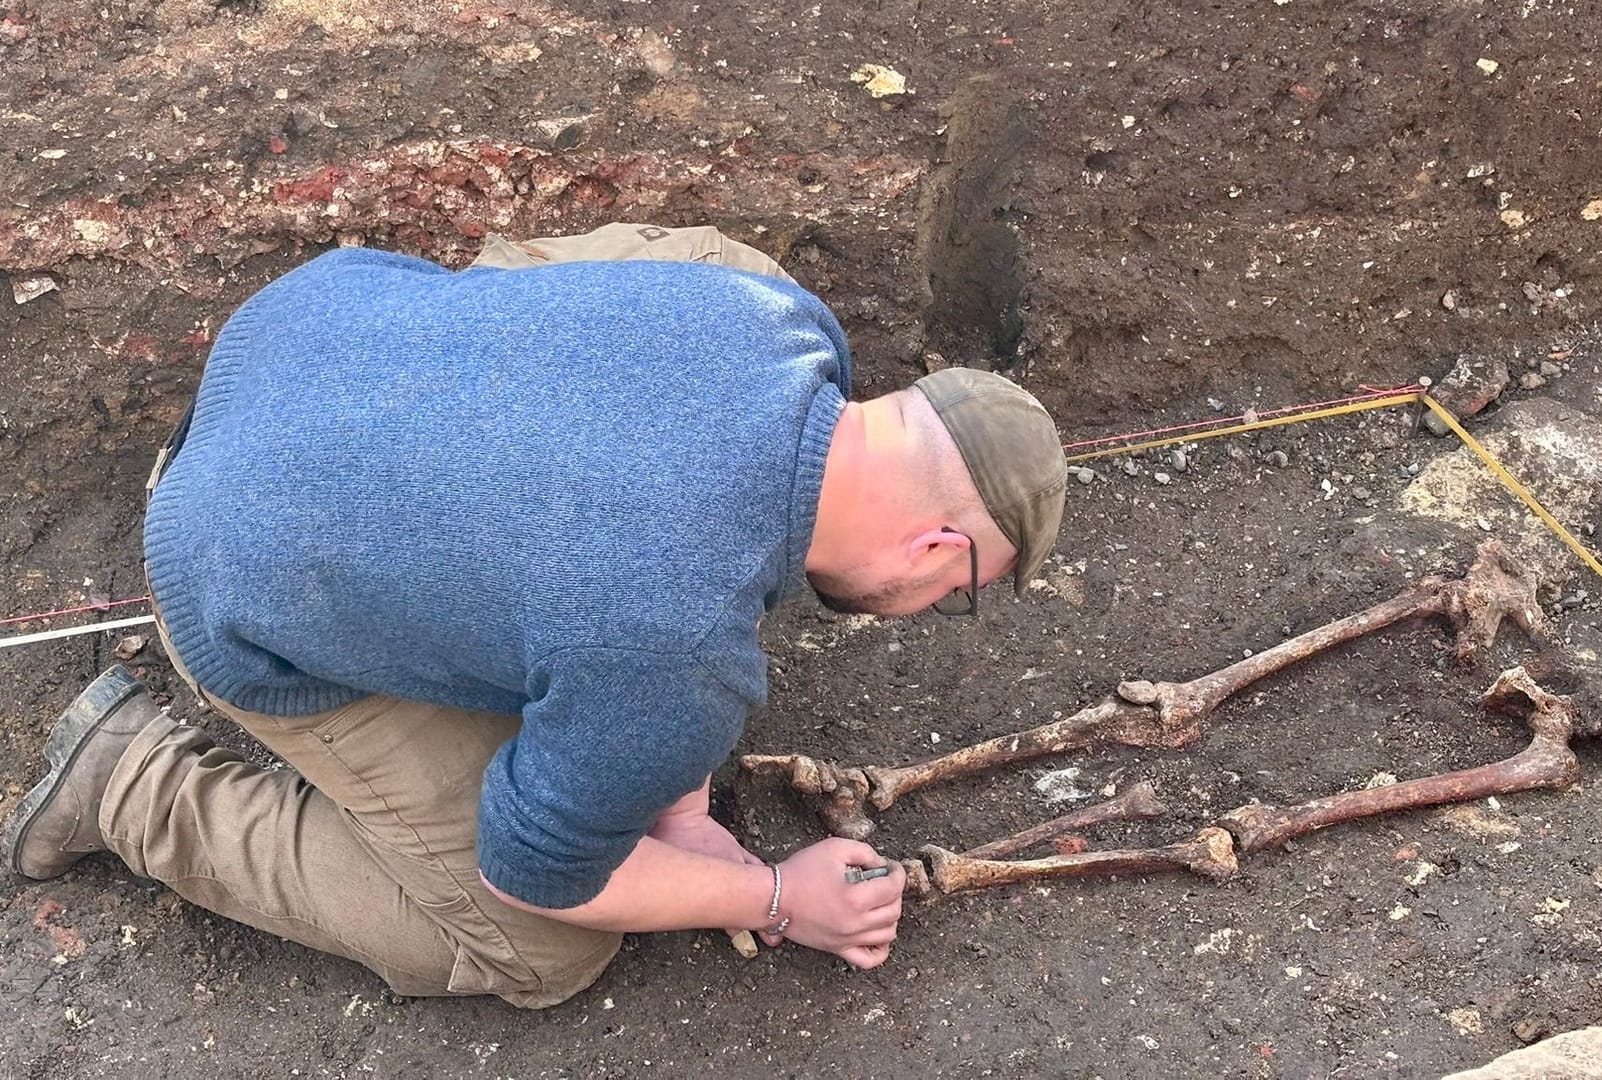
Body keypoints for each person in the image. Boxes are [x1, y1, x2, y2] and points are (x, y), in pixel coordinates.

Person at [1, 223, 1067, 1008]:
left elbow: (664, 593)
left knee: (686, 306)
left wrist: (681, 806)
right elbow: (543, 874)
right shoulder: (677, 654)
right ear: (935, 547)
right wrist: (777, 898)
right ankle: (132, 785)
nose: (936, 607)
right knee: (541, 950)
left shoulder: (774, 317)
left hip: (302, 334)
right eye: (959, 590)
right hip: (227, 574)